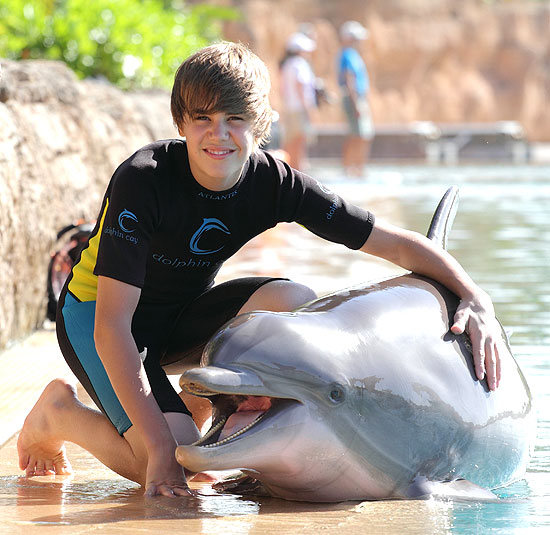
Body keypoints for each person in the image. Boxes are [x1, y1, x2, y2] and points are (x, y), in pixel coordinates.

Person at [17, 41, 502, 499]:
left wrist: (475, 297)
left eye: (235, 119)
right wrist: (164, 450)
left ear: (261, 122)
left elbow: (391, 242)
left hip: (181, 315)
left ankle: (207, 406)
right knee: (179, 463)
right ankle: (59, 415)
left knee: (294, 301)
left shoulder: (274, 182)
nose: (218, 134)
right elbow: (113, 328)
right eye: (202, 118)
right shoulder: (144, 182)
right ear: (180, 122)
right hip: (97, 318)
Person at [337, 20, 374, 177]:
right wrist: (355, 103)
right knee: (357, 134)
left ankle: (357, 168)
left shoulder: (352, 54)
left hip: (357, 98)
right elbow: (349, 79)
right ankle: (352, 169)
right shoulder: (347, 55)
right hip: (354, 98)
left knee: (361, 134)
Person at [279, 32, 318, 170]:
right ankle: (298, 170)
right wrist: (309, 109)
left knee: (290, 142)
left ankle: (289, 169)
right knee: (299, 141)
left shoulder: (287, 64)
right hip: (299, 108)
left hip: (290, 107)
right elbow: (301, 87)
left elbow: (282, 90)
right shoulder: (299, 64)